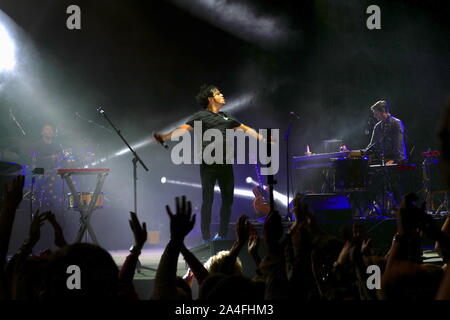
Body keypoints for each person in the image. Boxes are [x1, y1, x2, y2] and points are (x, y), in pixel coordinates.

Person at [154, 84, 266, 242]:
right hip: (209, 165)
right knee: (208, 200)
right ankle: (206, 238)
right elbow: (183, 129)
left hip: (226, 164)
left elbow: (245, 129)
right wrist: (165, 137)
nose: (222, 95)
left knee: (228, 200)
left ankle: (221, 235)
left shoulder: (227, 116)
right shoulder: (200, 116)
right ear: (211, 99)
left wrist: (262, 138)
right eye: (219, 93)